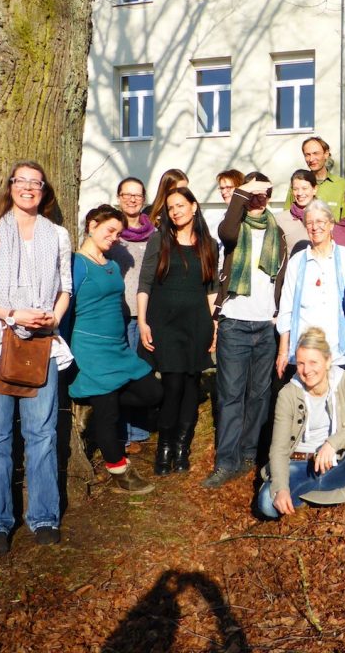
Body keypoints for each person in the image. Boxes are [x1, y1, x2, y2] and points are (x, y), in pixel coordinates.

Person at [0, 160, 73, 557]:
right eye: (22, 181)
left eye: (36, 183)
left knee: (43, 436)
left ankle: (44, 516)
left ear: (44, 192)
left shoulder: (58, 235)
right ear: (10, 187)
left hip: (40, 345)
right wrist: (12, 314)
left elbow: (65, 288)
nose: (28, 188)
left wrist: (52, 317)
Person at [257, 327, 345, 538]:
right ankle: (297, 503)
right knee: (266, 504)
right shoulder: (288, 394)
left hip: (335, 465)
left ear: (327, 362)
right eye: (300, 363)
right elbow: (279, 449)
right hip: (299, 467)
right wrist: (281, 489)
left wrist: (333, 442)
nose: (306, 370)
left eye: (313, 362)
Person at [69, 204, 162, 494]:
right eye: (110, 230)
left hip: (118, 349)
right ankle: (119, 470)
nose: (115, 238)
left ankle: (94, 401)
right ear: (92, 225)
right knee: (108, 415)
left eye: (119, 233)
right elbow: (66, 308)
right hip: (92, 350)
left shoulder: (110, 264)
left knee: (153, 392)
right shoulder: (76, 264)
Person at [203, 173, 286, 488]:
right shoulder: (234, 231)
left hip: (266, 325)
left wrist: (278, 316)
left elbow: (281, 278)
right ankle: (227, 462)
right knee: (230, 396)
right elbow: (225, 229)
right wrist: (241, 192)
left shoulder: (278, 233)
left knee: (259, 395)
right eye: (253, 193)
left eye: (263, 193)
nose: (258, 198)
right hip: (235, 323)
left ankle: (250, 454)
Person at [137, 186, 218, 476]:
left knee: (191, 386)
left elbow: (211, 289)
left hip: (197, 323)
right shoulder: (159, 240)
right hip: (165, 323)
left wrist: (215, 326)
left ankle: (182, 447)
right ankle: (165, 448)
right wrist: (143, 322)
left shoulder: (209, 244)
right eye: (171, 207)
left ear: (194, 206)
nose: (175, 211)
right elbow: (145, 283)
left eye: (181, 205)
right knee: (172, 386)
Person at [276, 200, 345, 380]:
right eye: (310, 223)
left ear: (331, 224)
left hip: (338, 352)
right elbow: (286, 307)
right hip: (304, 354)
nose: (315, 227)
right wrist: (283, 351)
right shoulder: (297, 261)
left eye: (320, 222)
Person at [108, 176, 154, 453]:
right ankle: (120, 431)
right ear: (119, 197)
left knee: (140, 371)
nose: (132, 199)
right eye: (127, 194)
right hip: (118, 314)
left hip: (146, 315)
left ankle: (138, 429)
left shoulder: (155, 234)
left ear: (144, 198)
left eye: (137, 195)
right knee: (119, 373)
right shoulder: (112, 234)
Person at [284, 136, 345, 220]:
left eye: (316, 153)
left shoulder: (342, 185)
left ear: (326, 154)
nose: (311, 159)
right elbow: (287, 217)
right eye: (307, 155)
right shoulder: (298, 184)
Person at [276, 169, 318, 255]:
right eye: (295, 189)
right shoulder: (280, 220)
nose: (299, 193)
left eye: (304, 188)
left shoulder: (325, 217)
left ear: (314, 189)